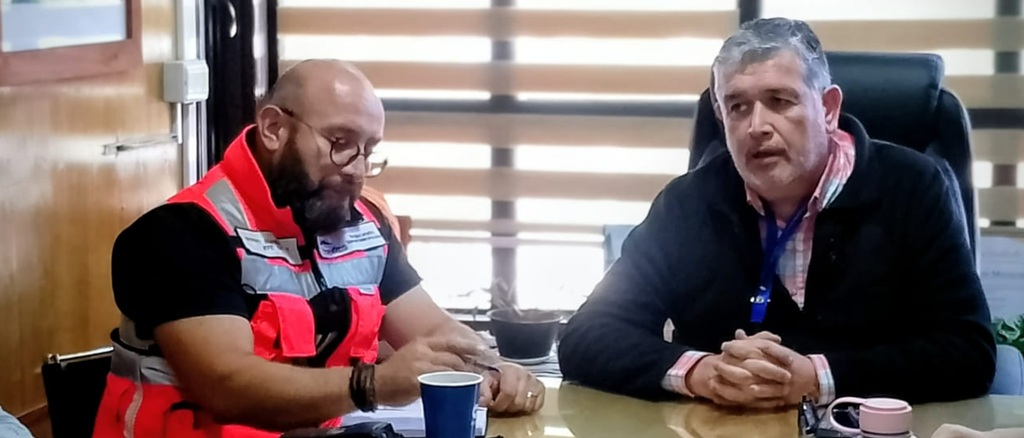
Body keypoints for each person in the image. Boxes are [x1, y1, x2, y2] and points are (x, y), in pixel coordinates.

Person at [558, 17, 995, 408]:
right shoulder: (688, 204)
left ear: (828, 109)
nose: (757, 127)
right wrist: (702, 372)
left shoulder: (912, 187)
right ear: (720, 117)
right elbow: (587, 335)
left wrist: (817, 378)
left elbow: (968, 349)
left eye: (780, 101)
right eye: (738, 107)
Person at [92, 60, 544, 437]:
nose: (357, 170)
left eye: (369, 151)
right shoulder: (180, 233)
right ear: (273, 128)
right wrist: (373, 384)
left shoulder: (362, 225)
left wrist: (495, 367)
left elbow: (432, 329)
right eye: (341, 143)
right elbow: (226, 386)